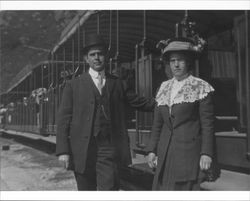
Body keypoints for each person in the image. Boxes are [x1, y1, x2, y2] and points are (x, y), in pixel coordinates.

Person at [56, 34, 155, 191]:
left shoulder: (118, 83)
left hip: (108, 149)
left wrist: (169, 101)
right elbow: (63, 120)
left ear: (106, 57)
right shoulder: (73, 85)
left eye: (100, 54)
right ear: (86, 59)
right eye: (92, 55)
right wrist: (63, 151)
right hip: (82, 150)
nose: (97, 58)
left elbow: (140, 102)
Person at [146, 38, 215, 190]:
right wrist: (152, 150)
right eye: (172, 61)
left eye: (180, 60)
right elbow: (157, 124)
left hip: (188, 154)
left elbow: (207, 124)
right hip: (165, 153)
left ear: (188, 62)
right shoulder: (164, 87)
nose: (176, 65)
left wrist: (206, 153)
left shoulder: (200, 87)